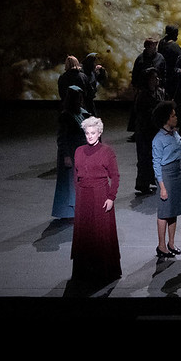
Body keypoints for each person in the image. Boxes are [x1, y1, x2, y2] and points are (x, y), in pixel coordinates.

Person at [71, 116, 121, 283]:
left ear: (99, 133)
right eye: (87, 133)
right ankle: (84, 272)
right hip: (83, 196)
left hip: (100, 195)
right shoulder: (78, 150)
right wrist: (77, 195)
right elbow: (75, 174)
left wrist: (111, 197)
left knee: (100, 233)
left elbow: (115, 176)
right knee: (84, 233)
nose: (90, 136)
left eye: (93, 133)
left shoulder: (107, 152)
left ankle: (103, 272)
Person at [151, 101, 181, 259]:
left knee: (174, 210)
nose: (176, 117)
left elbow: (178, 157)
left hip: (176, 173)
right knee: (164, 212)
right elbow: (156, 164)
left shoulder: (175, 133)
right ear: (166, 119)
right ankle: (161, 245)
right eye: (173, 116)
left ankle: (171, 243)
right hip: (166, 175)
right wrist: (162, 186)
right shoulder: (158, 139)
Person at [53, 85, 87, 219]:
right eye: (78, 98)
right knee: (69, 184)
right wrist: (66, 155)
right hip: (71, 154)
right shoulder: (66, 116)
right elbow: (62, 138)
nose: (80, 101)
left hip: (81, 153)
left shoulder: (83, 113)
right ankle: (68, 211)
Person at [132, 67, 166, 194]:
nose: (156, 80)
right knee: (144, 157)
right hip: (145, 130)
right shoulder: (142, 96)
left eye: (157, 77)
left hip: (156, 129)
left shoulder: (159, 92)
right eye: (153, 78)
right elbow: (142, 114)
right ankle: (143, 183)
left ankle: (151, 180)